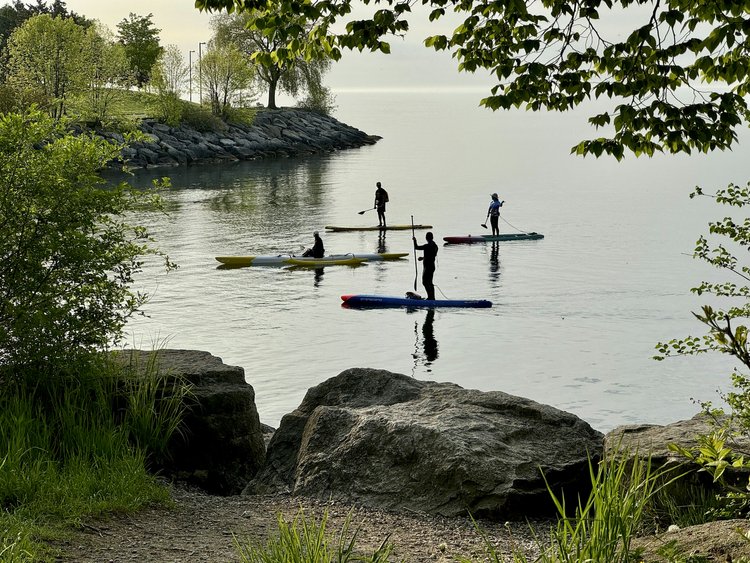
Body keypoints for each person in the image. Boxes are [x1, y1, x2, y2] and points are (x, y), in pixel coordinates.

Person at [413, 231, 438, 300]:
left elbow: (416, 247)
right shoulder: (435, 246)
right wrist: (423, 258)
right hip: (432, 267)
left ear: (426, 238)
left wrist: (415, 241)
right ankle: (432, 297)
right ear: (432, 238)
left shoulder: (426, 246)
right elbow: (432, 255)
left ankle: (430, 298)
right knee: (430, 283)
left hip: (427, 267)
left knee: (425, 282)